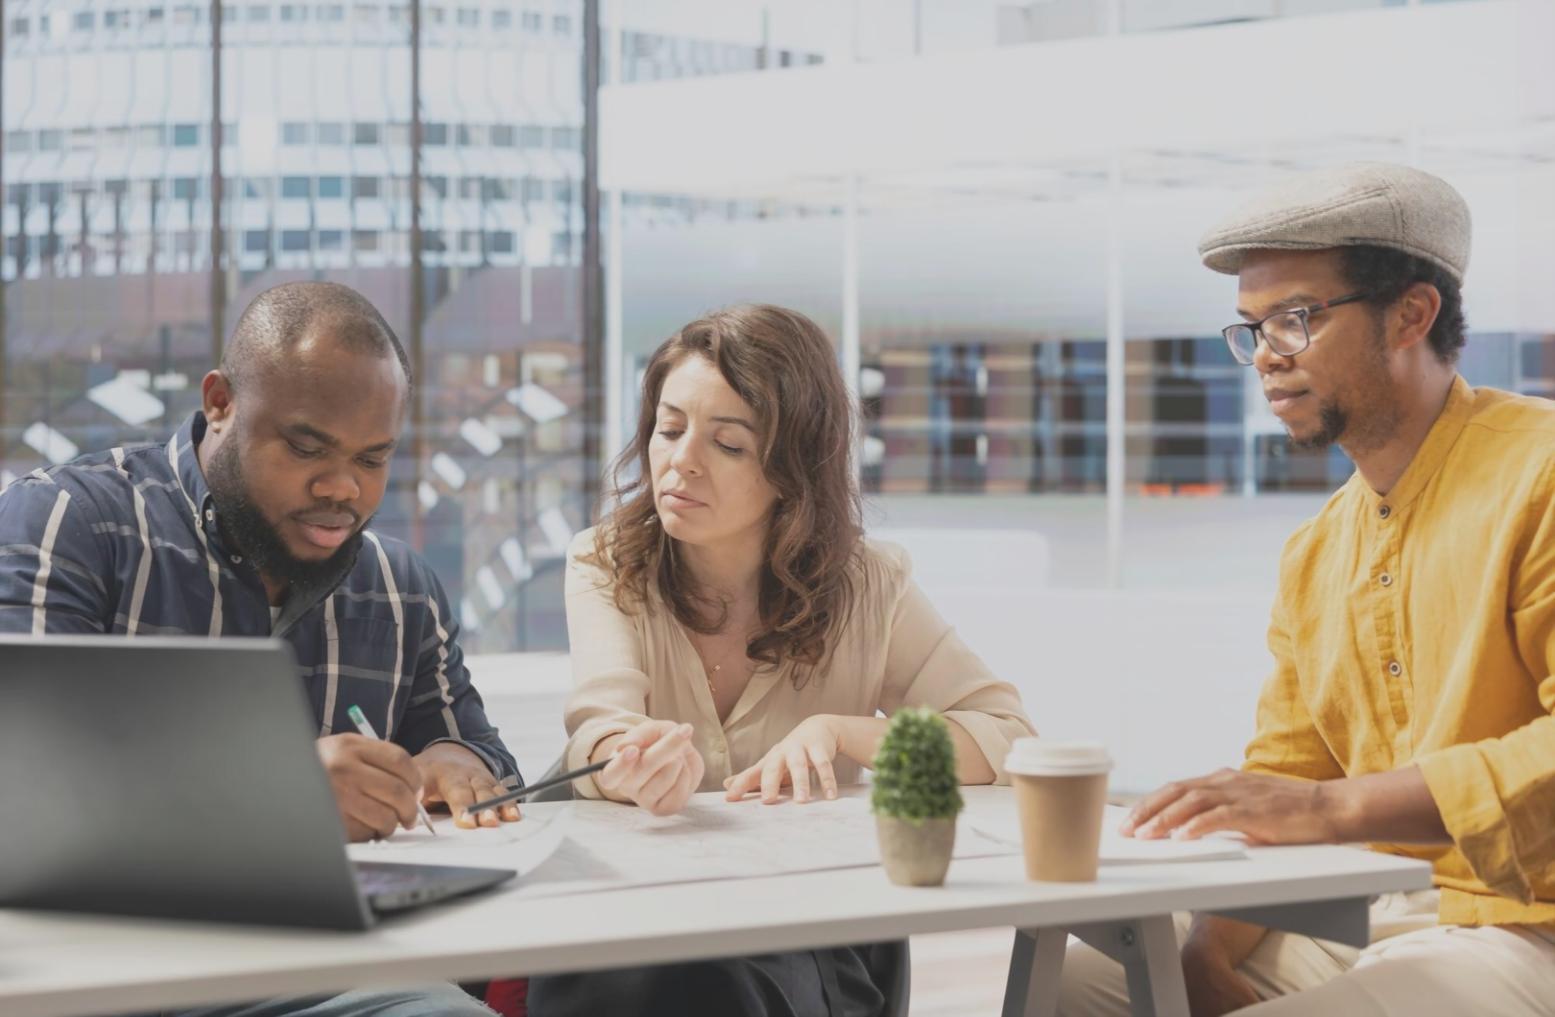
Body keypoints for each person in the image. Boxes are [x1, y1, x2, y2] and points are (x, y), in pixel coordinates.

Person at [1057, 163, 1555, 1016]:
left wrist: (1333, 808)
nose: (1264, 359)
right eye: (1250, 328)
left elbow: (1317, 798)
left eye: (1294, 320)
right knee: (1083, 975)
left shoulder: (1538, 472)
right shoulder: (1317, 546)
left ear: (1411, 313)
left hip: (1525, 922)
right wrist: (1207, 948)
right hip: (1368, 906)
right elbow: (1290, 768)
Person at [0, 282, 522, 1017]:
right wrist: (279, 795)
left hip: (328, 971)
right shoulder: (73, 521)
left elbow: (489, 763)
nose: (342, 487)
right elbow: (20, 778)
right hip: (96, 967)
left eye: (373, 458)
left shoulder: (400, 589)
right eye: (307, 446)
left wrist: (459, 767)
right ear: (220, 401)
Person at [527, 304, 1036, 1017]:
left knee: (718, 978)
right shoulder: (606, 560)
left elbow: (1006, 735)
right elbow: (601, 717)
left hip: (802, 930)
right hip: (633, 916)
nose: (681, 460)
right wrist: (626, 758)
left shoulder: (867, 584)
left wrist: (843, 731)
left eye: (727, 443)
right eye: (668, 429)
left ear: (792, 469)